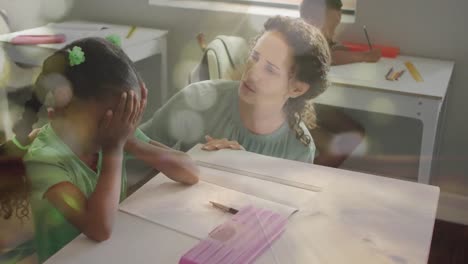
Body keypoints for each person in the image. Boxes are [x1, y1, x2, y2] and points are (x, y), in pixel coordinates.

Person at [16, 37, 199, 263]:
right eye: (108, 121)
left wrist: (130, 141)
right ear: (63, 110)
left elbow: (189, 171)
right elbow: (98, 228)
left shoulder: (113, 134)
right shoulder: (44, 160)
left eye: (125, 118)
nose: (117, 128)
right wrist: (114, 148)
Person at [140, 16, 331, 163]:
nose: (252, 73)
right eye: (255, 57)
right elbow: (132, 149)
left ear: (297, 89)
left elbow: (278, 211)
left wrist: (240, 169)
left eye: (270, 69)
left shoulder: (299, 148)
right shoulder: (197, 98)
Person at [300, 0, 372, 167]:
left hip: (313, 105)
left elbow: (335, 49)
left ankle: (317, 173)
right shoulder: (300, 38)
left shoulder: (322, 38)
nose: (332, 31)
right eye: (330, 24)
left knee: (355, 132)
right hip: (291, 111)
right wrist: (365, 57)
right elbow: (326, 56)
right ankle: (308, 178)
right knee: (338, 146)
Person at [300, 0, 381, 65]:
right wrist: (365, 56)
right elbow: (327, 57)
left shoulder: (320, 39)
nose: (333, 33)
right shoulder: (300, 41)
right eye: (330, 29)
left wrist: (341, 50)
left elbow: (333, 48)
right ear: (311, 21)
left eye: (335, 26)